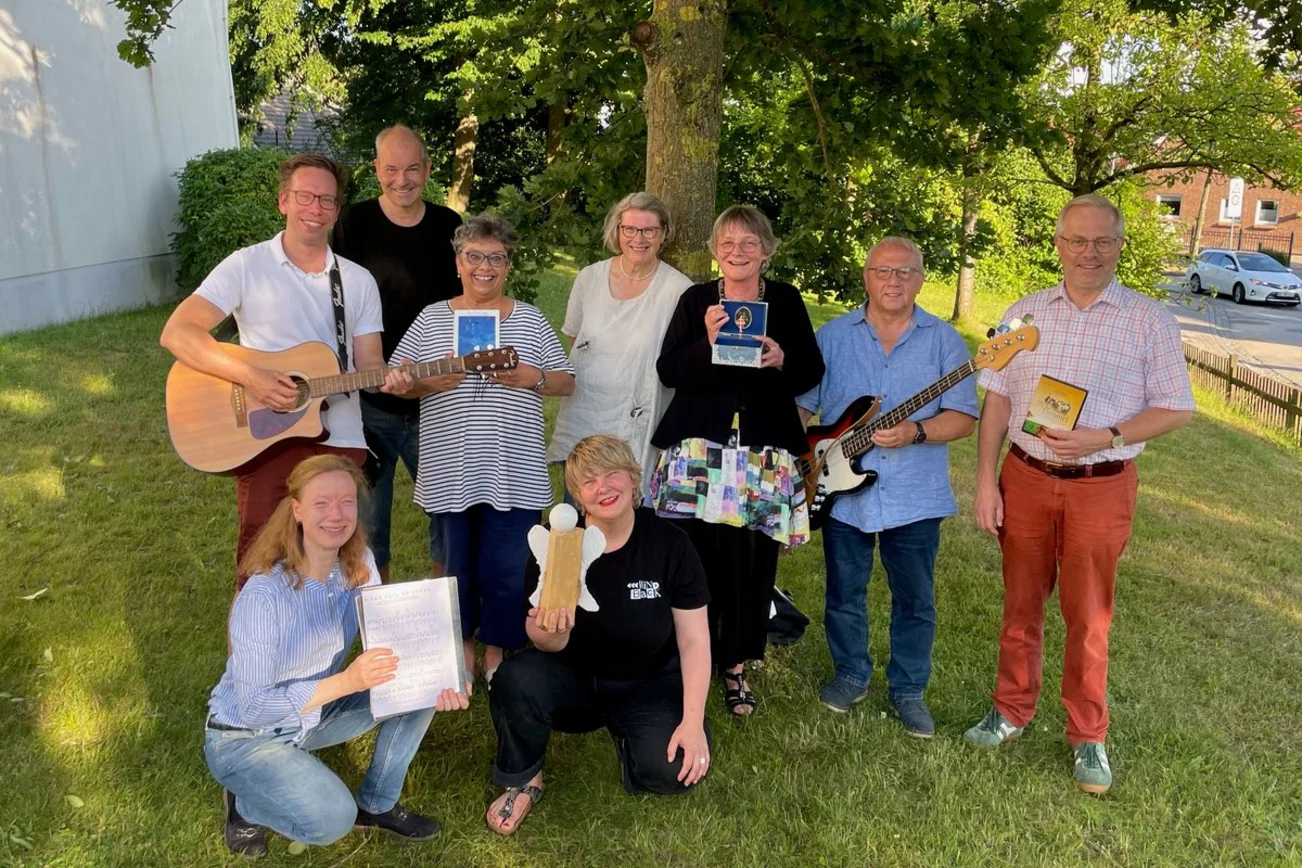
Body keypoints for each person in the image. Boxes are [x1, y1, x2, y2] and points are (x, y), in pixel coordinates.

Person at [965, 194, 1195, 794]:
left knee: (1089, 618)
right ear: (1059, 244)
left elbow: (1176, 408)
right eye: (1077, 240)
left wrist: (1107, 435)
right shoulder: (1023, 313)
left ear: (1119, 246)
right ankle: (1011, 709)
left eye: (1102, 241)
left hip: (1102, 485)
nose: (1088, 252)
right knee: (1020, 605)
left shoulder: (1149, 320)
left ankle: (1088, 734)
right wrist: (986, 481)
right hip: (1026, 478)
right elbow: (998, 400)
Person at [159, 153, 411, 588]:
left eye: (327, 200)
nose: (316, 208)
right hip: (266, 436)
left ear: (336, 209)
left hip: (341, 440)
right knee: (262, 564)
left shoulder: (356, 281)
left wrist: (394, 379)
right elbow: (178, 333)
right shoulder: (246, 265)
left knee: (338, 568)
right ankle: (256, 634)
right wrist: (252, 377)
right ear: (283, 201)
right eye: (305, 196)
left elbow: (370, 364)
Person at [202, 454, 470, 858]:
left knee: (422, 687)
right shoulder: (264, 595)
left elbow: (392, 634)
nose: (336, 515)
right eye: (321, 503)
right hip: (244, 735)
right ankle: (246, 804)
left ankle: (377, 804)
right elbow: (255, 707)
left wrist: (443, 673)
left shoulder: (358, 563)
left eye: (346, 502)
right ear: (297, 510)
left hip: (310, 715)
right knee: (332, 820)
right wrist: (349, 681)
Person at [796, 237, 977, 736]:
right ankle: (851, 673)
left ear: (920, 279)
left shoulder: (945, 341)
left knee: (915, 599)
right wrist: (800, 461)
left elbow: (963, 417)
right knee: (843, 592)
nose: (893, 281)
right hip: (840, 492)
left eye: (904, 272)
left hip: (916, 495)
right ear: (866, 277)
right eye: (883, 271)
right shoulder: (832, 336)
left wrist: (916, 431)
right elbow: (804, 406)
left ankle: (908, 689)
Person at [485, 435, 712, 834]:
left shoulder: (670, 544)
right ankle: (524, 778)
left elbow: (694, 640)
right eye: (589, 481)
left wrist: (692, 724)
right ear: (577, 496)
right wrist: (553, 630)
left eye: (612, 474)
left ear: (633, 477)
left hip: (648, 680)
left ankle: (630, 735)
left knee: (672, 772)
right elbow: (542, 641)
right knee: (513, 678)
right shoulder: (555, 546)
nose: (603, 488)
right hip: (573, 677)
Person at [652, 205, 825, 716]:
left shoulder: (785, 301)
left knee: (750, 562)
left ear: (766, 251)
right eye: (727, 243)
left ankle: (734, 665)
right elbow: (668, 370)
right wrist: (707, 344)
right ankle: (686, 657)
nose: (738, 252)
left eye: (749, 243)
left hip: (762, 456)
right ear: (714, 250)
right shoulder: (697, 300)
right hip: (699, 451)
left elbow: (811, 370)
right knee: (690, 555)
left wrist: (783, 361)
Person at [391, 215, 575, 683]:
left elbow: (566, 381)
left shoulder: (530, 318)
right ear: (458, 263)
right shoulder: (432, 318)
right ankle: (462, 644)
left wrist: (531, 376)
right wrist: (424, 383)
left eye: (496, 257)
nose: (484, 267)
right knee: (456, 567)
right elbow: (399, 378)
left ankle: (497, 647)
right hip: (450, 465)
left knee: (508, 566)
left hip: (514, 467)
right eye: (474, 256)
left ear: (508, 265)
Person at [333, 125, 463, 582]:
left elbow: (465, 304)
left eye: (412, 169)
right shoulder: (354, 222)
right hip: (371, 401)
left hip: (436, 397)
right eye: (391, 169)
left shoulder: (449, 225)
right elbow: (337, 305)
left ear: (427, 169)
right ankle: (376, 611)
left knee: (448, 518)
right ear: (376, 170)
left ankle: (448, 607)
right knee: (368, 524)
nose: (402, 180)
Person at [548, 193, 692, 498]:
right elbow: (577, 340)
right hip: (586, 411)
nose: (638, 238)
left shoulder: (679, 290)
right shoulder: (589, 278)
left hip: (635, 420)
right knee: (578, 509)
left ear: (663, 233)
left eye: (649, 230)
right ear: (617, 230)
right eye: (630, 229)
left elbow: (680, 361)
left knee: (627, 509)